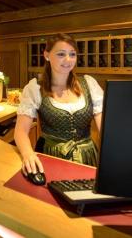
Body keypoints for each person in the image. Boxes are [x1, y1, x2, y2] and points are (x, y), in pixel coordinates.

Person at [14, 33, 103, 176]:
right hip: (50, 155)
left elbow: (103, 127)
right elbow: (21, 132)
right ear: (47, 55)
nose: (68, 60)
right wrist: (28, 154)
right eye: (61, 54)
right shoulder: (35, 88)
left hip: (88, 157)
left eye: (72, 54)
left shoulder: (89, 84)